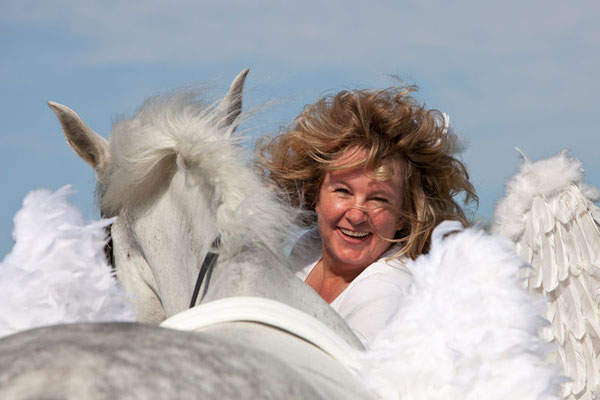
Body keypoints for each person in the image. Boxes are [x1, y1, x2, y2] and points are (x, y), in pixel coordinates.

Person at [256, 86, 477, 343]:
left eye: (378, 199)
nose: (357, 215)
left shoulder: (383, 293)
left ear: (405, 215)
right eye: (342, 191)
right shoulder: (310, 246)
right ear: (315, 194)